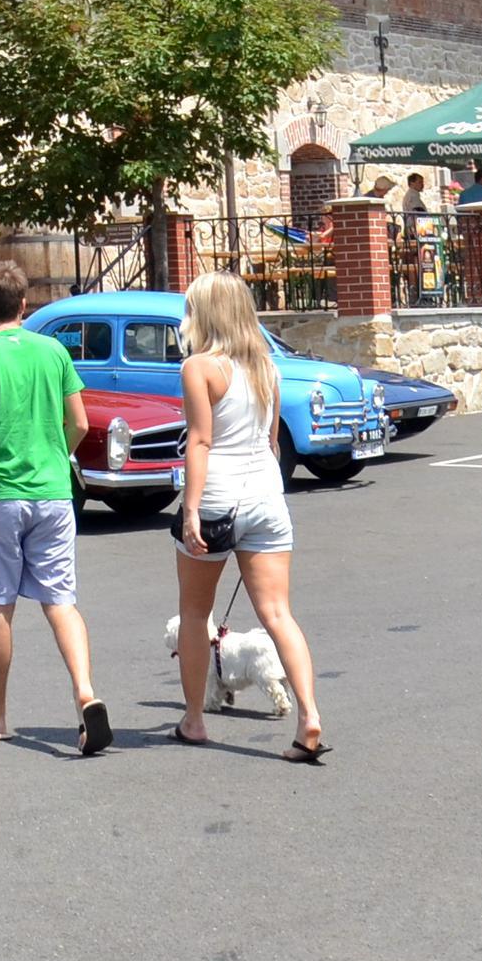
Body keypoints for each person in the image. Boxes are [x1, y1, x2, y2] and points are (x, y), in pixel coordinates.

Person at [0, 258, 110, 751]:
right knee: (61, 601)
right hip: (53, 494)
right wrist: (58, 456)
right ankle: (85, 693)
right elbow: (80, 422)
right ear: (23, 304)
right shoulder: (53, 351)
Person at [169, 269, 326, 762]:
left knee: (195, 613)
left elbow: (200, 441)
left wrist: (190, 509)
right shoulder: (267, 368)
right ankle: (308, 715)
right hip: (266, 496)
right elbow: (272, 441)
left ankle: (194, 720)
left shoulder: (199, 367)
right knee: (278, 613)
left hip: (218, 496)